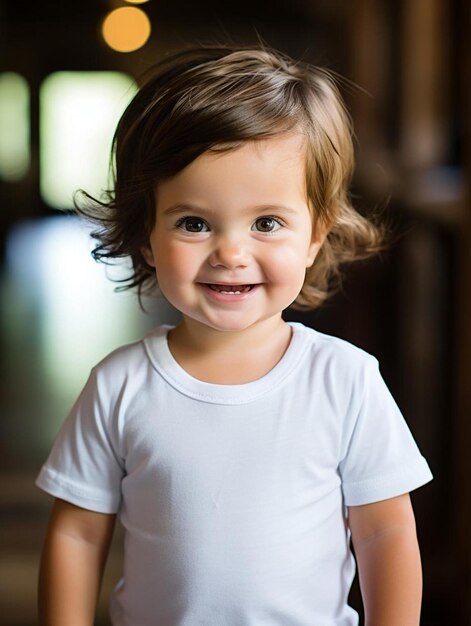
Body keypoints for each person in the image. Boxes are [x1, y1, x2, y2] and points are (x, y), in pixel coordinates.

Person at [36, 43, 433, 626]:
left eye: (267, 223)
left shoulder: (344, 380)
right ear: (146, 235)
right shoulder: (120, 385)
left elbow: (385, 531)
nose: (230, 252)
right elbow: (77, 534)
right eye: (194, 223)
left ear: (315, 235)